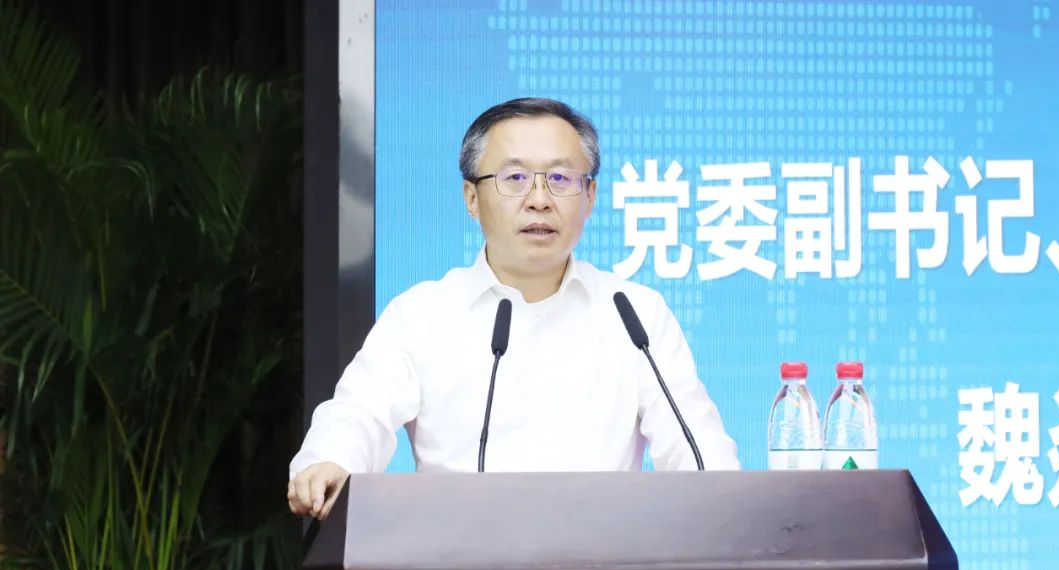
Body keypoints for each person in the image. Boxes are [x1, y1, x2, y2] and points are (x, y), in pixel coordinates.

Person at [287, 97, 740, 520]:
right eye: (515, 178)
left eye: (560, 179)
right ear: (471, 198)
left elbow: (697, 446)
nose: (539, 199)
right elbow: (359, 412)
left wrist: (729, 500)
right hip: (453, 565)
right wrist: (331, 460)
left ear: (590, 197)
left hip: (605, 567)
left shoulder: (635, 313)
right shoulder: (423, 314)